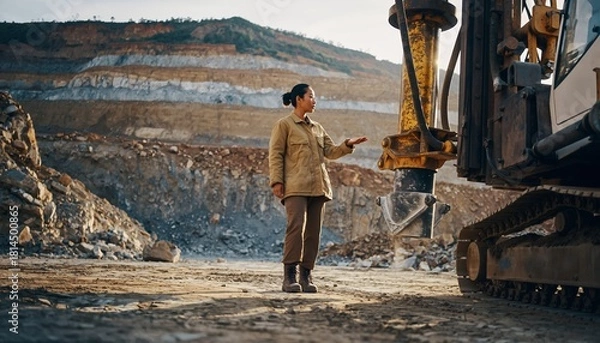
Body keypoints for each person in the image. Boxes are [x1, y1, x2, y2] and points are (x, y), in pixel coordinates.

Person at [268, 83, 368, 293]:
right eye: (311, 96)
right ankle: (289, 277)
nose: (315, 100)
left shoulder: (318, 128)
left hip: (319, 187)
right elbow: (275, 154)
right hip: (295, 185)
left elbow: (331, 152)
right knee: (296, 228)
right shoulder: (284, 125)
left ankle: (306, 275)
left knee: (313, 233)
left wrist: (347, 143)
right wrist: (277, 181)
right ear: (298, 99)